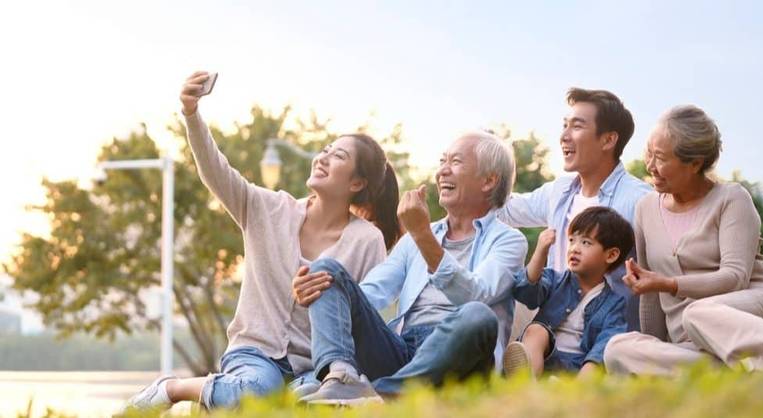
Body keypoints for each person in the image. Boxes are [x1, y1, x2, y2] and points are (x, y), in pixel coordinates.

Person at [126, 71, 401, 410]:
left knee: (307, 403)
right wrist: (191, 114)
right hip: (254, 355)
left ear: (357, 183)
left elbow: (365, 318)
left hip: (314, 367)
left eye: (338, 156)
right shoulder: (267, 208)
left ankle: (224, 398)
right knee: (258, 391)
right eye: (325, 150)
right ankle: (173, 389)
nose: (323, 158)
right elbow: (215, 170)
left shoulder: (367, 241)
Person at [292, 130, 528, 405]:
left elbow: (476, 296)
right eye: (442, 161)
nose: (442, 171)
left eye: (456, 162)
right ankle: (341, 378)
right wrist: (328, 292)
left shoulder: (509, 240)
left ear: (489, 181)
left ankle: (379, 395)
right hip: (403, 350)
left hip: (460, 356)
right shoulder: (414, 240)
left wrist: (422, 236)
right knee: (327, 270)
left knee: (478, 315)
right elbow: (370, 293)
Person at [604, 105, 763, 375]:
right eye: (649, 153)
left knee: (697, 313)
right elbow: (651, 297)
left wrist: (669, 283)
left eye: (660, 158)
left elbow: (734, 277)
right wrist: (655, 345)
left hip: (750, 314)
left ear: (694, 163)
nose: (650, 166)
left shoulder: (731, 199)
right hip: (690, 340)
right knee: (618, 348)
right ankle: (728, 371)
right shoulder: (646, 208)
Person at [497, 88, 651, 334]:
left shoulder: (640, 201)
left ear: (608, 140)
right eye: (564, 125)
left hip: (606, 334)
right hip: (554, 325)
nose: (564, 136)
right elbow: (504, 209)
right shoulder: (560, 191)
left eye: (577, 127)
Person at [503, 207, 632, 378]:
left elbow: (606, 341)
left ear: (611, 255)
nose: (575, 248)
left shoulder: (614, 303)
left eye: (586, 242)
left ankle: (575, 390)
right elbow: (525, 293)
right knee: (536, 331)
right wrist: (541, 252)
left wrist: (591, 366)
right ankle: (528, 384)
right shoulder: (555, 280)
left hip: (580, 366)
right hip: (542, 357)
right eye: (572, 240)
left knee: (602, 352)